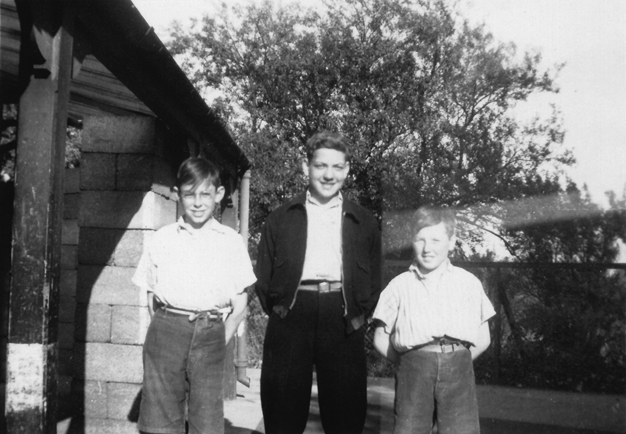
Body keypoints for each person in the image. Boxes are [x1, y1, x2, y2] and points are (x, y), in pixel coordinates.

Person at [255, 131, 382, 434]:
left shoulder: (363, 221)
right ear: (305, 167)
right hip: (291, 315)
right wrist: (280, 311)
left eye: (337, 167)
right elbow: (264, 278)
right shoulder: (281, 217)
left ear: (347, 170)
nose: (329, 175)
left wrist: (359, 316)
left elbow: (375, 279)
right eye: (320, 166)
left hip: (342, 317)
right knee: (282, 412)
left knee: (345, 414)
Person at [132, 157, 256, 434]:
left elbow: (240, 307)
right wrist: (168, 326)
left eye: (205, 194)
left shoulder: (230, 242)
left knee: (207, 419)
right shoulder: (162, 238)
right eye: (190, 195)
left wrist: (216, 338)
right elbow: (152, 297)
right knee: (160, 420)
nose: (198, 203)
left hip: (211, 331)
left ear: (219, 195)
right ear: (178, 194)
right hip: (166, 331)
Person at [372, 205, 495, 434]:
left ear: (451, 242)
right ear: (412, 241)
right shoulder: (399, 285)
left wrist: (457, 358)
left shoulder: (468, 283)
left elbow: (484, 337)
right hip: (413, 369)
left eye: (436, 240)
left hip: (459, 369)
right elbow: (380, 338)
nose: (428, 248)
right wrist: (407, 362)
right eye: (421, 240)